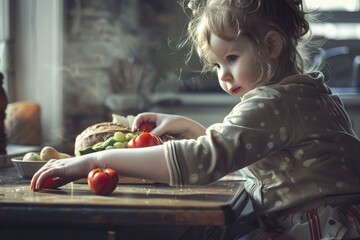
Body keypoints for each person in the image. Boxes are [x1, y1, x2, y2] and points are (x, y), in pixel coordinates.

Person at [31, 0, 360, 239]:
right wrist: (189, 127)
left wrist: (94, 161)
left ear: (271, 45)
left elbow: (204, 160)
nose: (224, 76)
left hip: (319, 229)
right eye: (217, 65)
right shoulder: (308, 92)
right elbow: (239, 152)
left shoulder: (274, 102)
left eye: (231, 58)